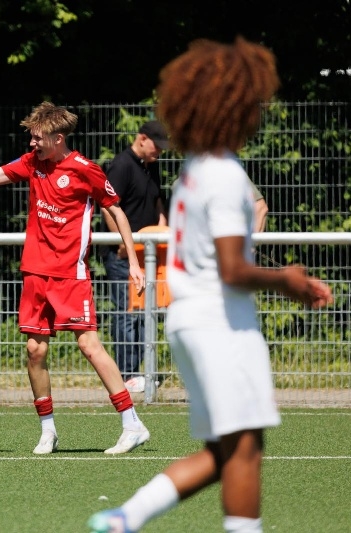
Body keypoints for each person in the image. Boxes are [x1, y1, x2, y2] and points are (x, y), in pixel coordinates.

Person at [87, 37, 333, 533]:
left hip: (190, 319)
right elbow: (231, 269)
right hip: (220, 323)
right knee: (245, 449)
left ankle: (125, 518)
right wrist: (287, 280)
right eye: (253, 102)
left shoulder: (195, 171)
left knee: (226, 450)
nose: (259, 112)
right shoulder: (222, 174)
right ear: (234, 108)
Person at [0, 102, 150, 455]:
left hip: (70, 275)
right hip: (35, 272)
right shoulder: (32, 162)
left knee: (89, 345)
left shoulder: (85, 169)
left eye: (38, 138)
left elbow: (116, 211)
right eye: (31, 137)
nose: (32, 143)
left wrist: (134, 261)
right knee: (34, 350)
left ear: (58, 138)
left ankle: (133, 424)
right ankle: (48, 431)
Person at [101, 120, 169, 392]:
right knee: (127, 314)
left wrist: (162, 228)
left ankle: (140, 371)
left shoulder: (150, 166)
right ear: (142, 139)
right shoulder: (122, 165)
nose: (159, 152)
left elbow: (158, 201)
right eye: (157, 146)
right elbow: (107, 206)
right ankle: (126, 374)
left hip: (147, 255)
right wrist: (121, 241)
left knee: (144, 313)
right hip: (123, 256)